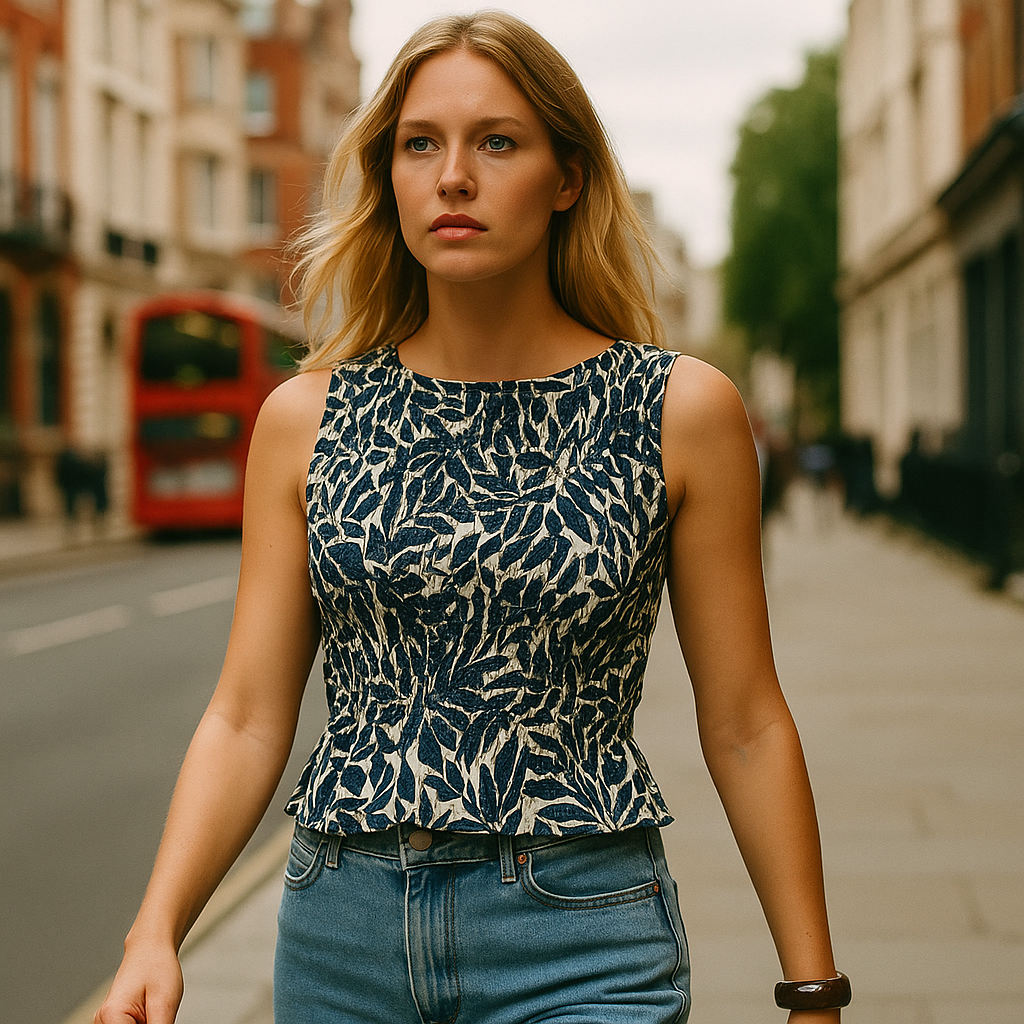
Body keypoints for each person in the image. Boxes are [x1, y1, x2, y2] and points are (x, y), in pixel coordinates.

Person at [96, 12, 848, 1024]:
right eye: (420, 144)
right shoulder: (305, 418)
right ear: (390, 176)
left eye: (497, 140)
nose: (454, 175)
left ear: (566, 175)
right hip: (343, 933)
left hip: (580, 930)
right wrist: (156, 931)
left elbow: (746, 719)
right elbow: (244, 712)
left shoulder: (676, 410)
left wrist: (812, 990)